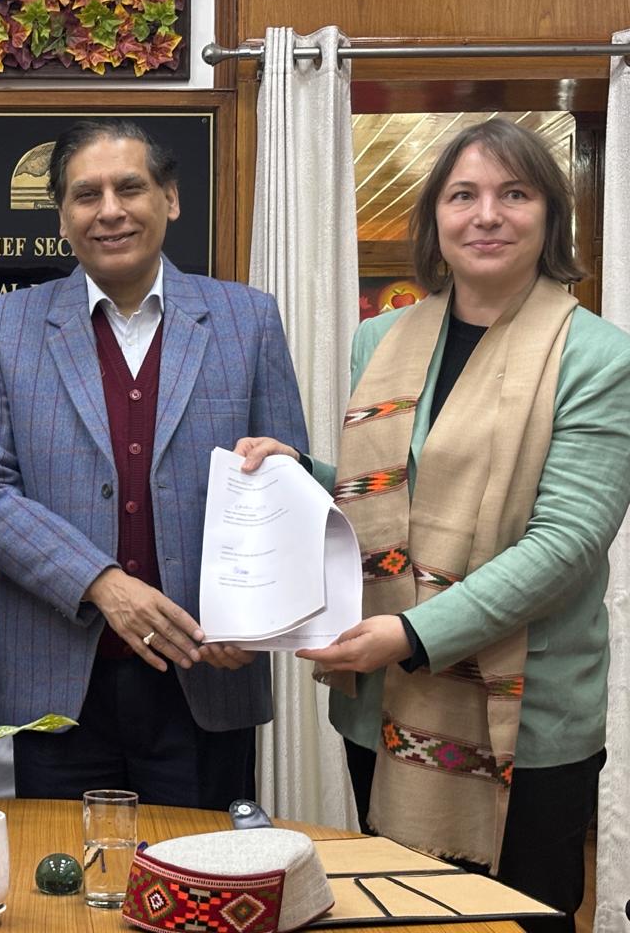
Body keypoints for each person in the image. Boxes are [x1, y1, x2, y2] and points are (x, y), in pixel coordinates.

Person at [237, 118, 630, 931]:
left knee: (520, 918)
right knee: (395, 911)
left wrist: (413, 634)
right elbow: (385, 494)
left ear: (550, 216)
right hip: (383, 701)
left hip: (525, 715)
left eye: (514, 194)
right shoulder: (380, 338)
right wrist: (298, 472)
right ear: (436, 219)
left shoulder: (599, 357)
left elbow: (566, 545)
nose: (487, 215)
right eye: (463, 195)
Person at [0, 119, 309, 807]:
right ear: (62, 218)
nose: (109, 210)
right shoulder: (5, 328)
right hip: (56, 687)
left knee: (200, 870)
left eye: (130, 188)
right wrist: (102, 584)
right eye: (86, 195)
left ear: (170, 198)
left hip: (206, 672)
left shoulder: (248, 320)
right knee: (61, 872)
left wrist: (256, 617)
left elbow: (289, 480)